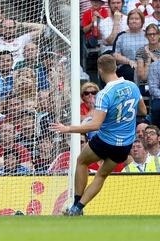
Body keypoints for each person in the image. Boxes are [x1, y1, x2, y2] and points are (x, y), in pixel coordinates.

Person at [51, 54, 146, 216]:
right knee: (101, 175)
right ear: (115, 67)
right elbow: (143, 111)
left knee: (81, 161)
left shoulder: (105, 94)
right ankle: (77, 208)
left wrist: (67, 129)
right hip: (124, 145)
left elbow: (95, 125)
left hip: (106, 141)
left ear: (100, 70)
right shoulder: (132, 86)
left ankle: (75, 203)